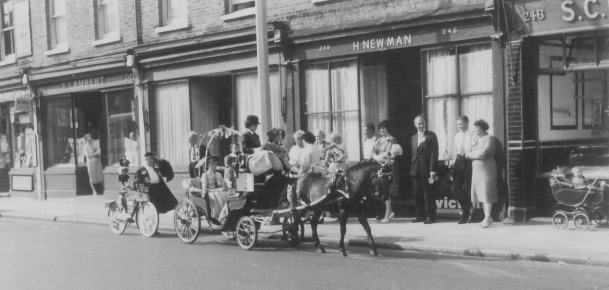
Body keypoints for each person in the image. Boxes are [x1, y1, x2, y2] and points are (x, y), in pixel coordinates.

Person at [466, 119, 497, 228]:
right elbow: (467, 153)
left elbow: (485, 152)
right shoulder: (475, 139)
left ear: (482, 128)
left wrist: (474, 154)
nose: (474, 130)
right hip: (477, 170)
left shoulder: (489, 138)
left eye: (476, 127)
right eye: (474, 127)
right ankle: (487, 217)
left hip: (487, 169)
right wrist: (475, 154)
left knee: (486, 193)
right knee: (480, 193)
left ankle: (488, 218)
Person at [410, 115, 439, 224]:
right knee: (417, 194)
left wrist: (433, 170)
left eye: (422, 123)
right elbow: (413, 154)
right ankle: (420, 216)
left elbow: (434, 154)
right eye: (419, 123)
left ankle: (431, 216)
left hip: (427, 169)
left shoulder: (431, 136)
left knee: (428, 194)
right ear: (415, 124)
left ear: (425, 123)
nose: (421, 125)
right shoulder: (413, 137)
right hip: (415, 169)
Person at [372, 120, 397, 223]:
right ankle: (390, 211)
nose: (382, 130)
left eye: (384, 128)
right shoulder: (378, 140)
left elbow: (391, 154)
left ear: (388, 128)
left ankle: (388, 213)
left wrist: (383, 159)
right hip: (378, 165)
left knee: (385, 190)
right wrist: (377, 158)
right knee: (379, 190)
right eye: (380, 128)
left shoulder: (392, 140)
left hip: (387, 167)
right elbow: (373, 152)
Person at [451, 116, 473, 224]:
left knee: (469, 187)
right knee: (455, 187)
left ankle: (467, 215)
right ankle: (468, 207)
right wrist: (454, 163)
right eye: (458, 124)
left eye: (461, 124)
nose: (459, 126)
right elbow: (455, 150)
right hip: (459, 161)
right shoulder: (457, 136)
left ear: (467, 123)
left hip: (469, 161)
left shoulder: (473, 135)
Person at [201, 155, 230, 221]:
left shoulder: (218, 175)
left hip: (220, 192)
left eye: (216, 164)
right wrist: (218, 190)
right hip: (210, 193)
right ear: (208, 165)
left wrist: (224, 187)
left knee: (228, 196)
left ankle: (225, 215)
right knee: (217, 197)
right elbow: (205, 189)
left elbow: (223, 185)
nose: (214, 166)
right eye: (212, 164)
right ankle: (217, 217)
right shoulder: (205, 175)